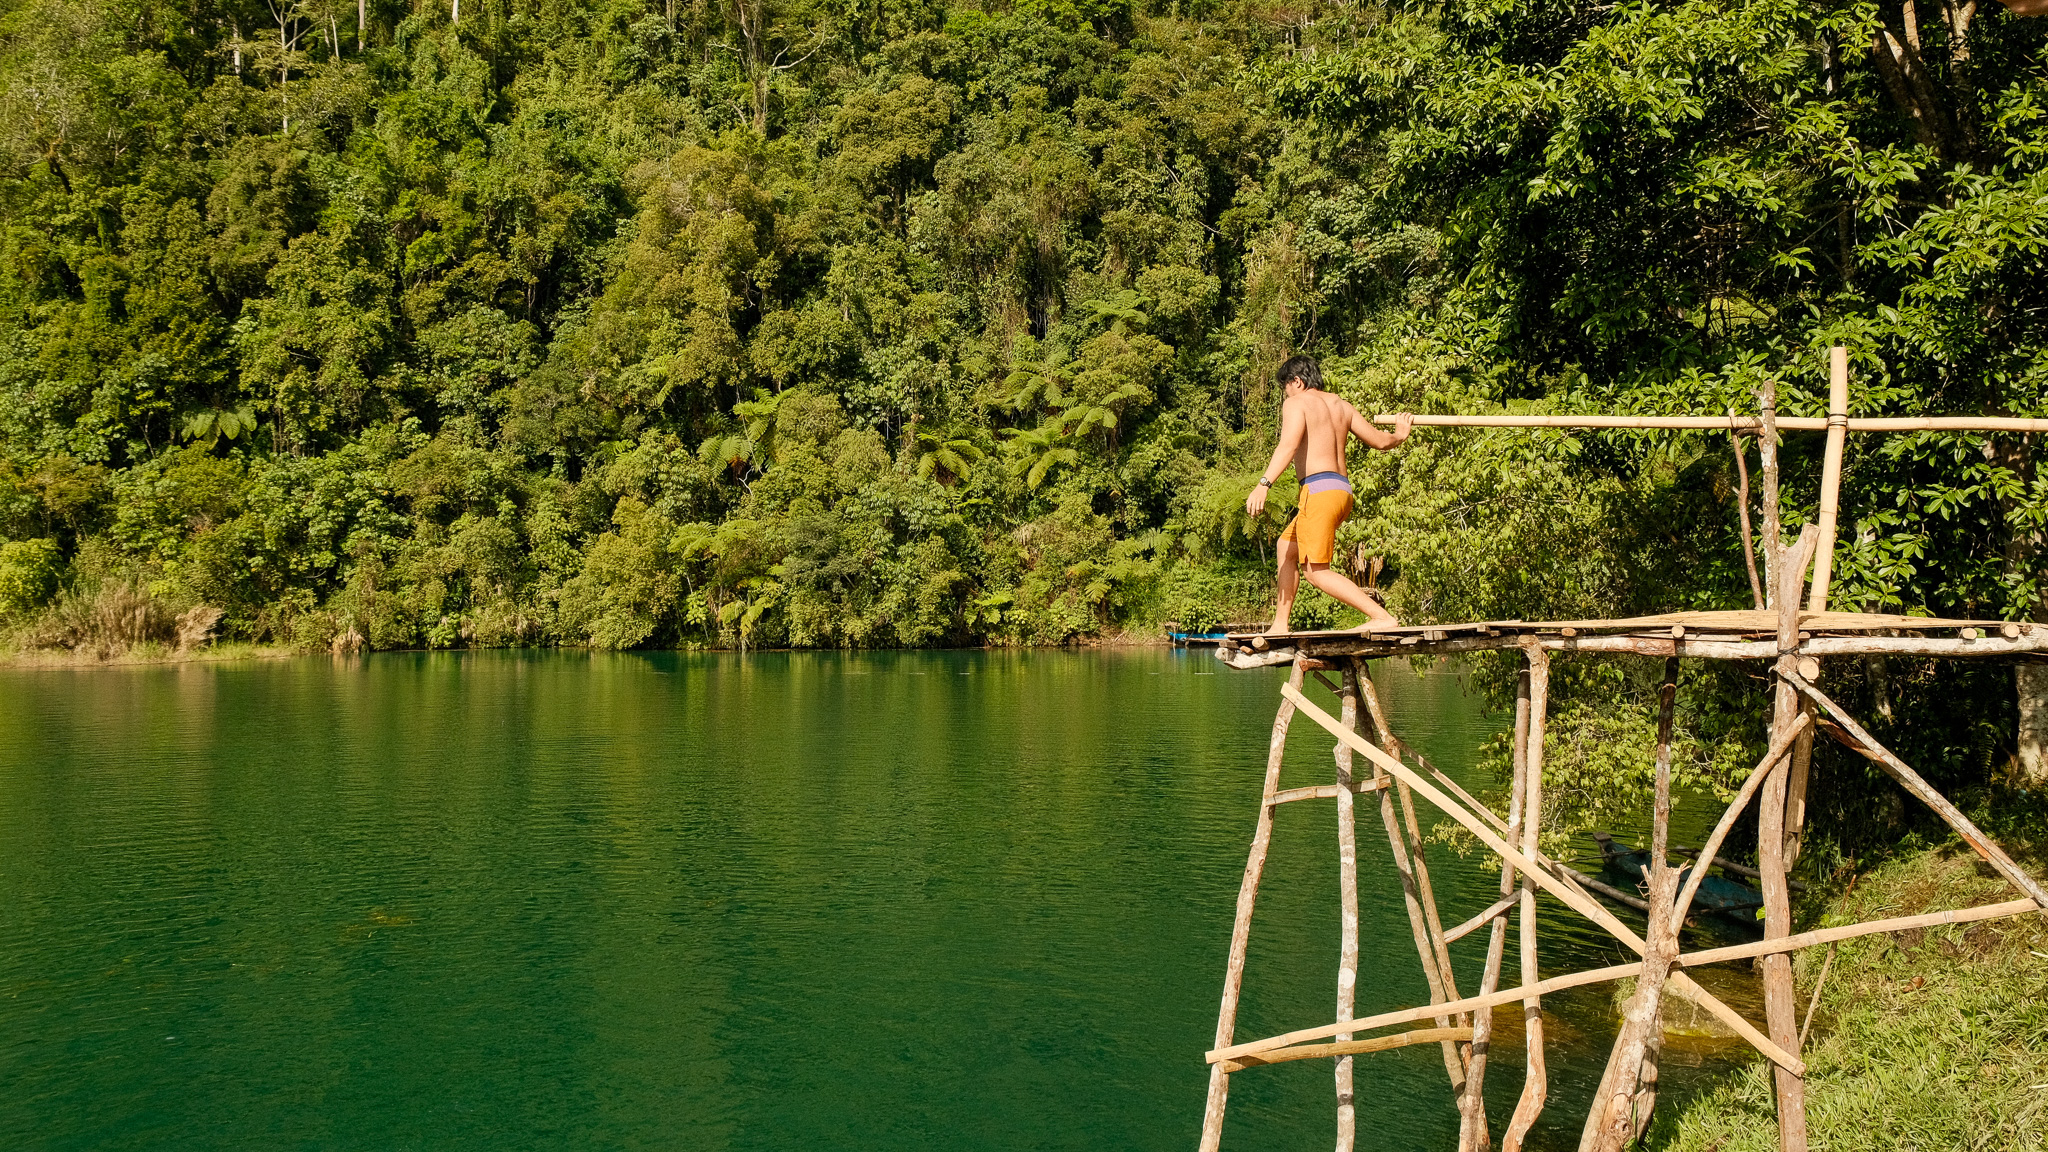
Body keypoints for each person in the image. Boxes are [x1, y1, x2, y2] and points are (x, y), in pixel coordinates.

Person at [1244, 355, 1413, 634]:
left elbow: (1287, 446)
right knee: (1286, 548)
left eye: (1285, 387)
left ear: (1296, 381)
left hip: (1318, 491)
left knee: (1315, 571)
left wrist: (1264, 484)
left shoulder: (1296, 403)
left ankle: (1381, 617)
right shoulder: (1342, 405)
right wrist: (1399, 434)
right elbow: (1380, 441)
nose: (1285, 394)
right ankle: (1279, 625)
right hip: (1341, 492)